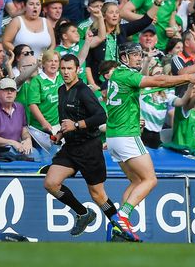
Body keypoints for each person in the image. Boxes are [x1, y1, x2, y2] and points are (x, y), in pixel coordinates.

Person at [105, 41, 195, 240]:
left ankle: (121, 232)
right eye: (133, 54)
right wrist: (187, 77)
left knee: (136, 181)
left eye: (139, 54)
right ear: (123, 58)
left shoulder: (116, 75)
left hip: (114, 137)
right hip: (126, 135)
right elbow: (159, 82)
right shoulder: (127, 75)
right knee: (150, 179)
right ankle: (121, 217)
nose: (138, 57)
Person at [45, 54, 136, 241]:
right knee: (51, 183)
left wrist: (77, 125)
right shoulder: (62, 90)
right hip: (70, 147)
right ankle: (83, 213)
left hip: (89, 148)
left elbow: (101, 116)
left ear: (78, 70)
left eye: (69, 68)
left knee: (97, 194)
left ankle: (120, 229)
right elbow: (66, 121)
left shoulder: (83, 91)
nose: (65, 72)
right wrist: (60, 134)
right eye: (63, 68)